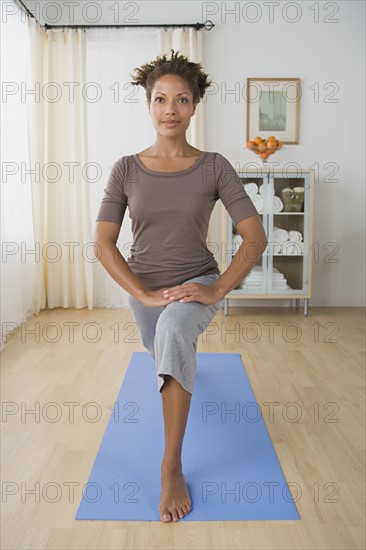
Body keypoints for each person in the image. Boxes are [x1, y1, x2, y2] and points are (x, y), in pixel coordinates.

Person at [93, 49, 268, 523]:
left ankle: (171, 466)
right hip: (146, 288)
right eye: (160, 99)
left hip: (197, 281)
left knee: (173, 334)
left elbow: (255, 237)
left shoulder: (214, 166)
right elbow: (104, 245)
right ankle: (181, 354)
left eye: (181, 100)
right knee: (163, 350)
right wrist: (145, 295)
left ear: (194, 106)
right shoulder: (126, 168)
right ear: (149, 105)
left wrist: (214, 291)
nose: (170, 109)